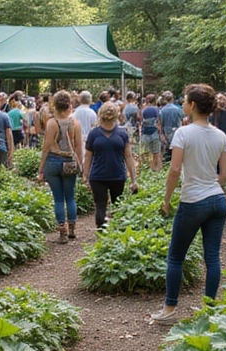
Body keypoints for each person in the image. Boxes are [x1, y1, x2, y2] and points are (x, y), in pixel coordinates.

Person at [152, 84, 226, 324]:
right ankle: (209, 309)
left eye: (185, 100)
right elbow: (225, 172)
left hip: (193, 200)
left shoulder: (183, 133)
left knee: (176, 256)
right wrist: (210, 185)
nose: (183, 104)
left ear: (193, 105)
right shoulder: (220, 135)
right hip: (218, 200)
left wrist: (166, 200)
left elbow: (174, 170)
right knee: (213, 257)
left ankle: (169, 310)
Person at [83, 100, 138, 229]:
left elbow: (88, 156)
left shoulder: (94, 134)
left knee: (100, 205)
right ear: (117, 115)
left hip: (97, 176)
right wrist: (133, 178)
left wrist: (85, 176)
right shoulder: (122, 134)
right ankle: (116, 234)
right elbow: (128, 157)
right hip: (117, 174)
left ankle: (101, 234)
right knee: (117, 205)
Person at [39, 89, 83, 242]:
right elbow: (79, 147)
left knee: (58, 198)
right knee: (70, 196)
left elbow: (46, 147)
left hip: (53, 160)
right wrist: (80, 165)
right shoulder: (75, 123)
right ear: (69, 105)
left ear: (54, 105)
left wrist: (41, 168)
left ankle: (62, 231)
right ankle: (72, 228)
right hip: (70, 161)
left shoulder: (52, 123)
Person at [140, 93, 163, 171]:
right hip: (155, 133)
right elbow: (159, 122)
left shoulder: (143, 109)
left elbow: (140, 121)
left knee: (145, 152)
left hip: (145, 133)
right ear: (155, 100)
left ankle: (146, 169)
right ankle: (157, 169)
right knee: (156, 152)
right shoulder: (157, 109)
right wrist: (161, 133)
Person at [160, 91, 184, 162]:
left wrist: (162, 135)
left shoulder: (162, 110)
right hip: (176, 131)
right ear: (172, 99)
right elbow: (183, 119)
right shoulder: (178, 109)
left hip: (166, 132)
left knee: (167, 152)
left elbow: (161, 123)